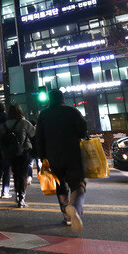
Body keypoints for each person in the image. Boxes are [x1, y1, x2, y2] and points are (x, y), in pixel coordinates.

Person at [36, 89, 87, 232]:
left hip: (53, 155)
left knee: (60, 184)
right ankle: (75, 208)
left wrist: (42, 157)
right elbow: (83, 130)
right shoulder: (72, 111)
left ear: (49, 100)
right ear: (63, 99)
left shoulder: (44, 115)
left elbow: (39, 137)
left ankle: (66, 215)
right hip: (72, 153)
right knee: (78, 184)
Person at [0, 105, 35, 208]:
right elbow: (34, 134)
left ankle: (17, 195)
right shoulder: (24, 123)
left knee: (15, 174)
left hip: (10, 153)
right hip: (23, 152)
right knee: (23, 174)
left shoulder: (4, 125)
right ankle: (21, 198)